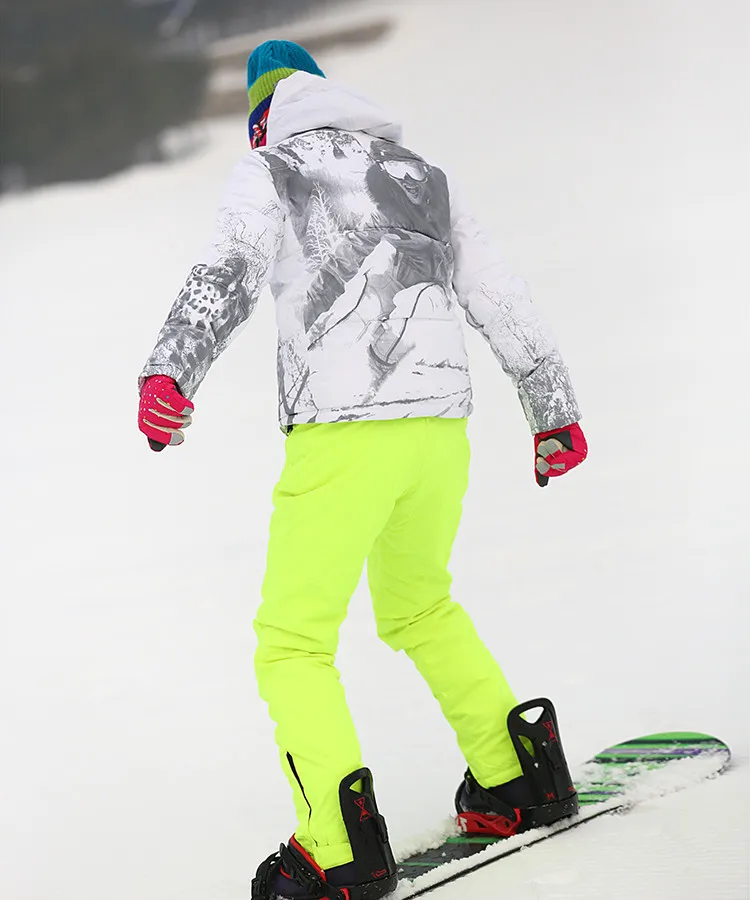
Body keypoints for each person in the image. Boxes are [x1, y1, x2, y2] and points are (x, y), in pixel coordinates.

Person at [137, 40, 588, 900]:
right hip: (439, 431)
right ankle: (517, 778)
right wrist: (551, 405)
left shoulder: (272, 167)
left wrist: (171, 370)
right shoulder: (423, 174)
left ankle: (336, 848)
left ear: (264, 114)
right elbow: (497, 289)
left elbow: (229, 268)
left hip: (344, 436)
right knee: (421, 606)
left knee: (293, 643)